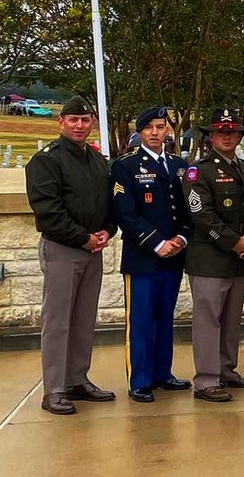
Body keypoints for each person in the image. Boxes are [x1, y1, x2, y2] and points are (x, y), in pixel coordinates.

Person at [25, 96, 117, 415]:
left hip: (93, 249)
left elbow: (107, 202)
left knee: (83, 319)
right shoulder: (46, 160)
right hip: (64, 249)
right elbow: (48, 211)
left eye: (85, 120)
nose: (80, 125)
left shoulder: (95, 160)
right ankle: (53, 389)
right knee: (58, 322)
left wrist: (107, 230)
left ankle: (77, 379)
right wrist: (84, 238)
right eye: (73, 120)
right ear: (60, 122)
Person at [111, 106, 193, 403]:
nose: (156, 133)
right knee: (142, 319)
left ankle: (162, 373)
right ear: (140, 132)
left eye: (161, 127)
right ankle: (140, 379)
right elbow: (126, 214)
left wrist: (182, 238)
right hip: (143, 257)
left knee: (165, 317)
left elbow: (187, 209)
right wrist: (157, 243)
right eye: (150, 128)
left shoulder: (179, 164)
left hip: (173, 256)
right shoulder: (126, 166)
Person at [182, 108, 244, 403]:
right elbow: (202, 214)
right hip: (210, 256)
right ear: (211, 136)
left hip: (238, 256)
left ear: (239, 136)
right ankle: (206, 380)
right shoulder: (198, 171)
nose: (227, 136)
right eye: (221, 132)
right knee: (208, 320)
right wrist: (233, 242)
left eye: (232, 132)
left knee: (231, 320)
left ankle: (227, 370)